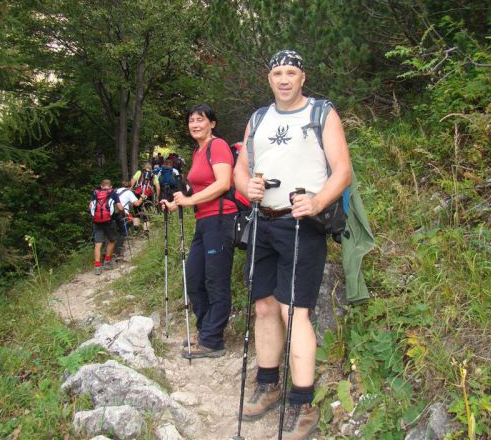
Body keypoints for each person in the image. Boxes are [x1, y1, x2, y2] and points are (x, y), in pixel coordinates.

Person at [233, 50, 352, 439]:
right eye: (277, 72)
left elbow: (343, 171)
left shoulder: (321, 113)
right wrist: (244, 186)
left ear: (303, 77)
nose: (284, 79)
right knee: (264, 303)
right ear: (269, 78)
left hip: (301, 222)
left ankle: (302, 402)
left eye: (291, 72)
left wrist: (318, 201)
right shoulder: (258, 118)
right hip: (262, 222)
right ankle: (268, 383)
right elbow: (242, 168)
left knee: (294, 310)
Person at [160, 103, 238, 359]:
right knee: (194, 279)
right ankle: (206, 330)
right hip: (204, 222)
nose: (195, 124)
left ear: (212, 123)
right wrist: (175, 203)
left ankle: (213, 340)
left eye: (200, 119)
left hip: (220, 218)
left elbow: (223, 182)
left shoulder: (218, 146)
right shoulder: (198, 151)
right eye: (191, 120)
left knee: (216, 281)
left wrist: (191, 201)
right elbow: (196, 189)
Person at [89, 179, 124, 275]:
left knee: (98, 244)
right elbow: (120, 207)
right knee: (112, 241)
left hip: (97, 222)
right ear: (111, 186)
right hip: (109, 221)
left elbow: (90, 206)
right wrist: (123, 212)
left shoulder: (95, 193)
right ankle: (107, 262)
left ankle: (97, 266)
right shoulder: (113, 193)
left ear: (101, 186)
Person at [114, 180, 144, 259]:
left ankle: (108, 253)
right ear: (130, 186)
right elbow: (137, 203)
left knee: (112, 232)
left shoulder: (115, 191)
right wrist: (142, 198)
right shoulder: (128, 192)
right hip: (122, 213)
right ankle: (117, 253)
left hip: (111, 213)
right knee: (123, 232)